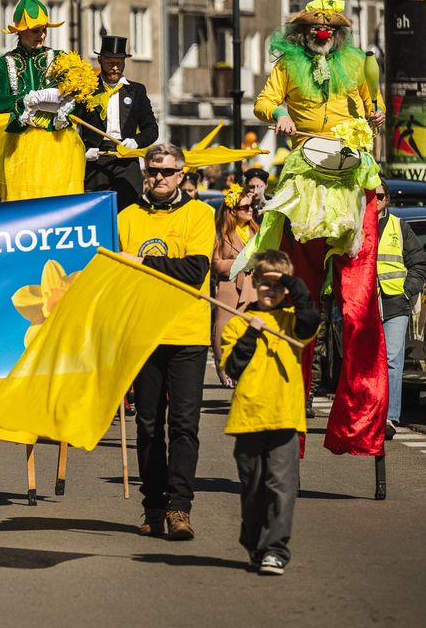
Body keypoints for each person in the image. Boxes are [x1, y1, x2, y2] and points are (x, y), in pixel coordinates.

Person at [243, 0, 387, 457]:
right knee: (297, 291)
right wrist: (280, 115)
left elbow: (372, 105)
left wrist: (378, 114)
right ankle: (286, 420)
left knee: (357, 305)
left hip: (350, 173)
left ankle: (361, 419)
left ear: (338, 34)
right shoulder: (287, 66)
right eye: (312, 28)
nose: (321, 34)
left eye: (328, 28)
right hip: (306, 171)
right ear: (302, 34)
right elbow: (264, 104)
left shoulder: (357, 65)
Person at [118, 143, 215, 540]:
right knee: (147, 425)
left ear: (181, 174)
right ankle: (153, 505)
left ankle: (180, 508)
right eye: (153, 170)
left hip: (187, 334)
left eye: (166, 171)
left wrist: (142, 264)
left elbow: (194, 269)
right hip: (144, 334)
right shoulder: (126, 217)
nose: (159, 177)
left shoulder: (201, 214)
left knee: (184, 426)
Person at [220, 250, 319, 576]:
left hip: (284, 418)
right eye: (265, 284)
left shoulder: (293, 322)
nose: (271, 291)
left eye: (278, 286)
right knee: (253, 488)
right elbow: (234, 366)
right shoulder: (237, 325)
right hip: (248, 418)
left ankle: (276, 549)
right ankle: (254, 544)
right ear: (254, 283)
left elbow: (311, 318)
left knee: (281, 486)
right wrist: (252, 332)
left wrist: (292, 282)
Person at [0, 0, 85, 201]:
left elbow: (78, 95)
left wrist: (69, 103)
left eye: (44, 30)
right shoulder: (3, 63)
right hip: (22, 143)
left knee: (59, 199)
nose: (41, 35)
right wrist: (22, 100)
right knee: (24, 202)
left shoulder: (61, 58)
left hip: (59, 141)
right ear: (19, 32)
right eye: (35, 30)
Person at [76, 35, 159, 211]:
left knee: (130, 211)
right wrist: (82, 150)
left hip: (126, 160)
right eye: (109, 62)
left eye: (119, 63)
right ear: (100, 60)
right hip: (95, 160)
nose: (115, 67)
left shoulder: (136, 90)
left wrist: (135, 141)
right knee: (95, 213)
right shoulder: (87, 89)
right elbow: (72, 128)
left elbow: (151, 129)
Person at [375, 179, 426, 437]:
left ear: (388, 199)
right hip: (365, 305)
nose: (374, 200)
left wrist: (407, 291)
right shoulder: (354, 226)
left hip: (395, 304)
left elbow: (419, 264)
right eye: (369, 196)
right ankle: (369, 416)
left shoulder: (399, 226)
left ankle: (389, 419)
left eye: (380, 196)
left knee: (392, 360)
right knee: (368, 363)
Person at [212, 184, 260, 384]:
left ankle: (250, 369)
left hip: (254, 287)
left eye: (251, 207)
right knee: (223, 330)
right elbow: (215, 264)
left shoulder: (258, 231)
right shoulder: (221, 234)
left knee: (253, 329)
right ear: (232, 211)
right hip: (230, 287)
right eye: (244, 207)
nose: (250, 210)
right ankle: (225, 367)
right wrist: (240, 263)